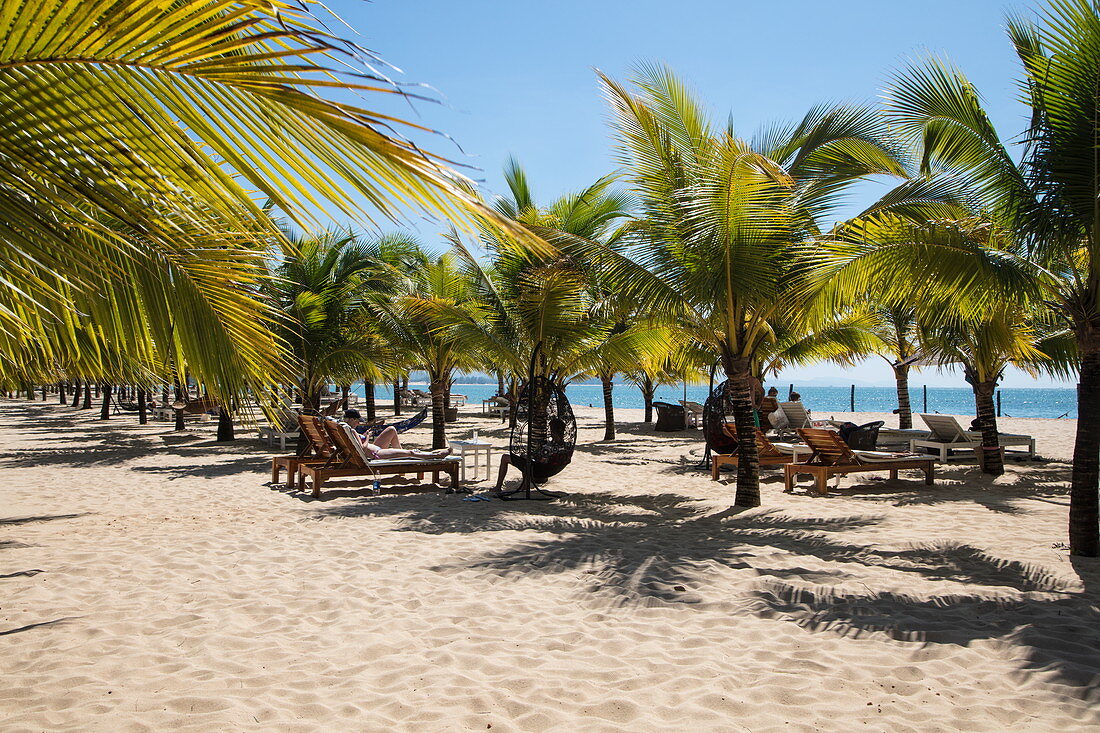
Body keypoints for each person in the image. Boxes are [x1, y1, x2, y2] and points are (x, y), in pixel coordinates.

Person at [343, 409, 450, 460]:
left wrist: (365, 435)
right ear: (352, 419)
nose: (359, 423)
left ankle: (402, 455)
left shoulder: (345, 429)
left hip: (376, 448)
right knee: (410, 452)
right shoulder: (351, 431)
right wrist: (366, 437)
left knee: (391, 429)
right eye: (357, 421)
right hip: (377, 453)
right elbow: (362, 448)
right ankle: (437, 455)